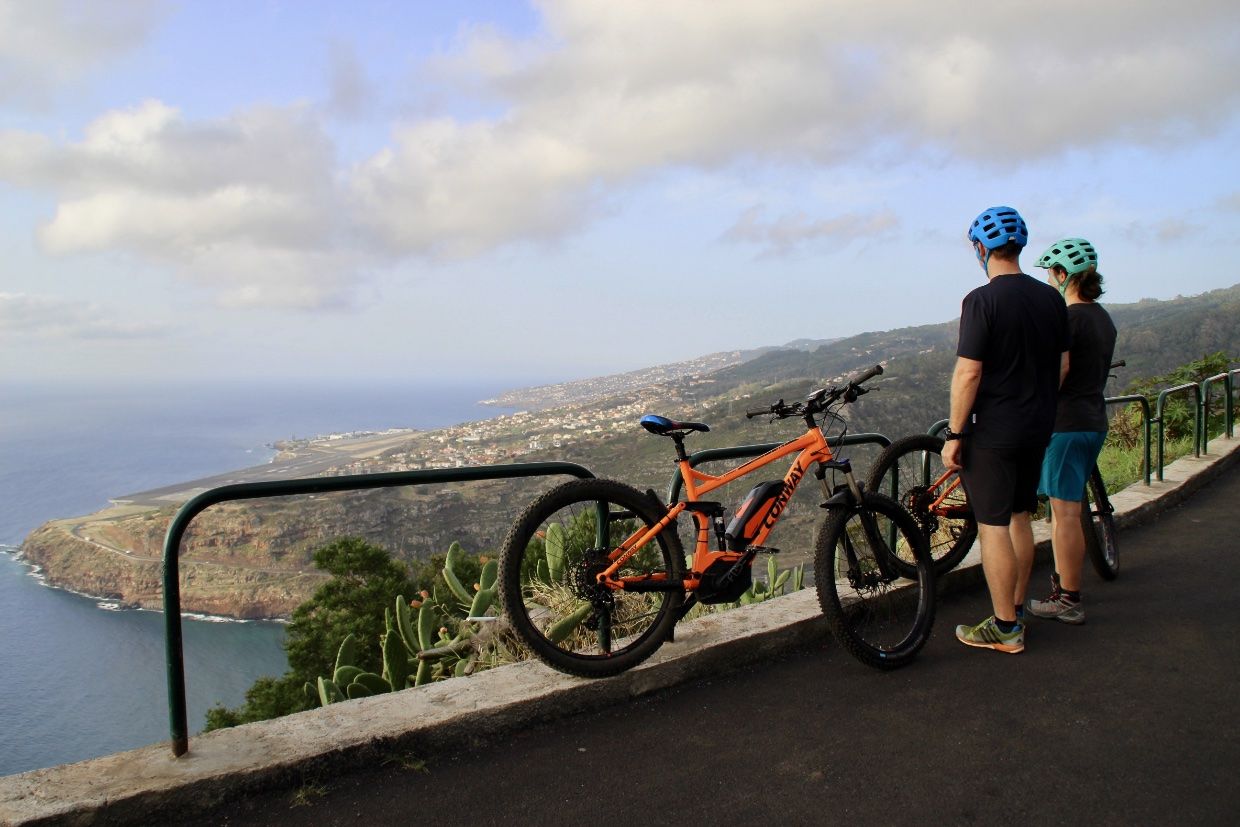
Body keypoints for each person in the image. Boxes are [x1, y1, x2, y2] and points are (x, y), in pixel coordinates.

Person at [942, 206, 1069, 654]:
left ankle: (1005, 627)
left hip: (995, 430)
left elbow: (968, 374)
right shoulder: (1051, 298)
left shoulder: (982, 300)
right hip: (1038, 426)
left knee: (992, 525)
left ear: (981, 249)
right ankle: (1015, 606)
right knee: (1020, 517)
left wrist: (955, 434)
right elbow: (1063, 364)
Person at [1026, 238, 1117, 624]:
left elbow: (1058, 371)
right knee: (1071, 508)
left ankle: (1068, 599)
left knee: (1065, 514)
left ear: (1063, 275)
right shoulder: (1102, 317)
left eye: (1050, 274)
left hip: (1066, 425)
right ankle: (1066, 590)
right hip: (1093, 420)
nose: (1049, 281)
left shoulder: (1069, 318)